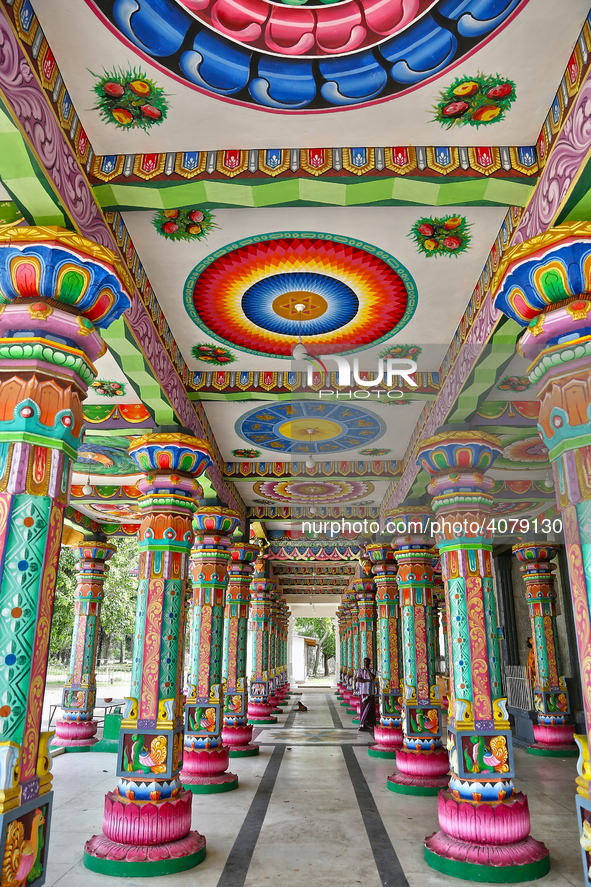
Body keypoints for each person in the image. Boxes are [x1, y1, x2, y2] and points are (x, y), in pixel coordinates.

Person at [355, 657, 376, 731]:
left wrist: (367, 670)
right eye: (364, 662)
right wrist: (367, 680)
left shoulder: (372, 670)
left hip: (370, 692)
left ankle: (370, 725)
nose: (365, 663)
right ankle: (362, 724)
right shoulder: (360, 670)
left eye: (367, 662)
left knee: (370, 710)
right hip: (363, 692)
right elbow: (358, 679)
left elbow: (372, 677)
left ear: (369, 663)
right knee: (363, 708)